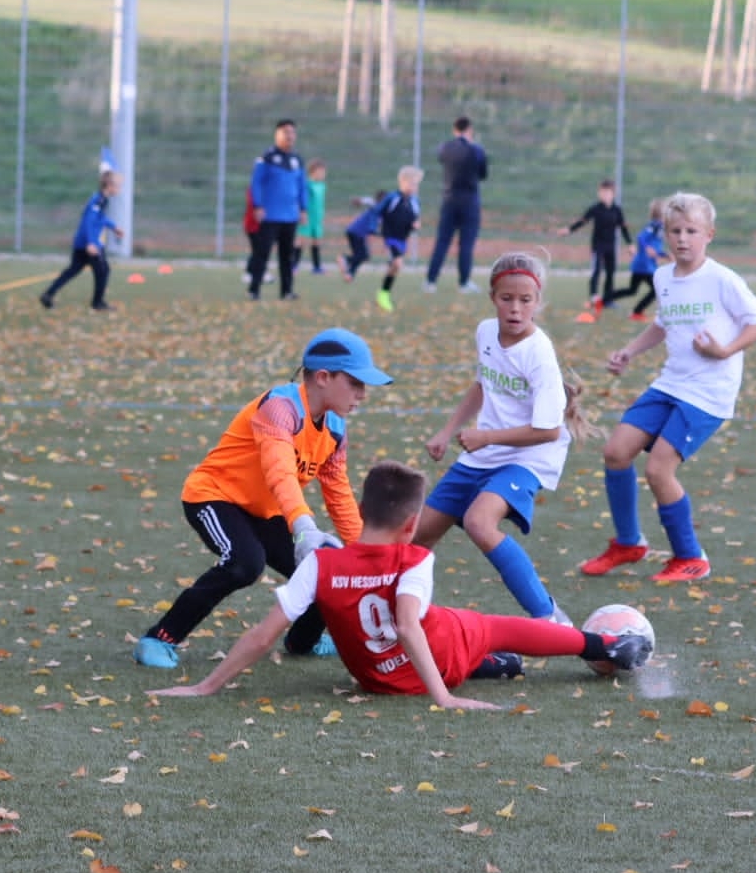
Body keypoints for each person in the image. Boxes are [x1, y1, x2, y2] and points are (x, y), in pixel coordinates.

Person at [147, 461, 652, 710]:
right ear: (412, 525)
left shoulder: (321, 564)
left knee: (461, 636)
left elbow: (263, 635)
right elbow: (408, 626)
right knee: (489, 625)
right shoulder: (415, 557)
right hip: (433, 664)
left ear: (360, 510)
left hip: (376, 679)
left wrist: (205, 686)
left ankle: (492, 666)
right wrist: (443, 698)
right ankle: (604, 645)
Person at [134, 328, 392, 669]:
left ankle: (302, 642)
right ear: (323, 377)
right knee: (244, 563)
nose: (363, 394)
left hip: (268, 510)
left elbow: (339, 495)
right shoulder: (280, 408)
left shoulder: (335, 428)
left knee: (328, 568)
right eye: (356, 383)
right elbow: (280, 473)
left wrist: (365, 554)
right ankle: (160, 638)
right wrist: (303, 527)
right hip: (215, 496)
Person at [579, 192, 756, 585]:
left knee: (658, 469)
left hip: (707, 393)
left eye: (692, 231)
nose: (683, 238)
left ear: (709, 235)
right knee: (616, 452)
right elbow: (663, 324)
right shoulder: (663, 277)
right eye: (675, 231)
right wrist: (629, 352)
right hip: (670, 383)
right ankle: (629, 543)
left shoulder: (722, 279)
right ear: (665, 234)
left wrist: (725, 350)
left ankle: (691, 557)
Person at [415, 251, 598, 624]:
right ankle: (405, 618)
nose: (515, 308)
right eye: (506, 298)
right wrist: (446, 432)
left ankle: (550, 618)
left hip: (529, 457)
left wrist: (486, 437)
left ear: (538, 301)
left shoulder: (538, 353)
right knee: (417, 536)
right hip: (485, 453)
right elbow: (482, 385)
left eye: (525, 300)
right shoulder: (486, 332)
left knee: (480, 522)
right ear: (492, 298)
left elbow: (549, 430)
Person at [39, 167, 122, 311]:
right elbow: (89, 220)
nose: (119, 189)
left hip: (82, 241)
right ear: (109, 186)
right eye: (118, 186)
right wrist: (91, 243)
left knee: (73, 270)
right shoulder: (99, 200)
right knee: (103, 270)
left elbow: (100, 218)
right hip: (89, 243)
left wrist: (113, 227)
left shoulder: (100, 199)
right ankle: (98, 303)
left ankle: (48, 294)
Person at [247, 119, 308, 301]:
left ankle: (286, 291)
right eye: (285, 132)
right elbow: (256, 183)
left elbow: (302, 186)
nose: (289, 136)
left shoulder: (297, 160)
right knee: (262, 253)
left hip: (290, 216)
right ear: (277, 134)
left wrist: (303, 208)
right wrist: (258, 206)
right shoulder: (266, 158)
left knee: (287, 256)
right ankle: (254, 289)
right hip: (270, 215)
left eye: (292, 132)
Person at [427, 116, 488, 293]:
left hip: (449, 200)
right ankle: (464, 282)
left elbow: (441, 159)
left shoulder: (445, 148)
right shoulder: (476, 150)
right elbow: (483, 174)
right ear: (469, 130)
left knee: (442, 241)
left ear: (454, 130)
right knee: (466, 243)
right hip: (470, 202)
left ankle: (430, 281)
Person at [557, 179, 630, 318]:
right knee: (596, 270)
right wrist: (569, 230)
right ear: (599, 193)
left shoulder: (617, 210)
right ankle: (593, 298)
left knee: (610, 273)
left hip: (611, 246)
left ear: (613, 194)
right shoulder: (595, 209)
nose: (604, 195)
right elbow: (582, 221)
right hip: (598, 246)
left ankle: (608, 300)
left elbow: (623, 228)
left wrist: (630, 244)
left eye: (607, 192)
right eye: (602, 192)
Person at [607, 198, 670, 322]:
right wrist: (648, 248)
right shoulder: (655, 225)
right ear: (661, 213)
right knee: (656, 290)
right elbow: (641, 237)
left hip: (643, 265)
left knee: (632, 290)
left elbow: (654, 248)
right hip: (645, 266)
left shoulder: (660, 226)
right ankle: (637, 312)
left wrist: (664, 255)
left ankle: (604, 299)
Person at [371, 166, 422, 312]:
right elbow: (377, 211)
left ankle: (383, 294)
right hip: (390, 236)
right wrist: (374, 227)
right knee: (398, 264)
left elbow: (414, 219)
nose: (414, 187)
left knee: (394, 268)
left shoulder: (415, 201)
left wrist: (415, 225)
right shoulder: (392, 198)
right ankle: (383, 295)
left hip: (402, 239)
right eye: (412, 183)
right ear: (402, 182)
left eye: (416, 184)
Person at [338, 190, 388, 283]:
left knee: (360, 255)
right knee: (363, 255)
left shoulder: (380, 213)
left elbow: (374, 230)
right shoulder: (376, 207)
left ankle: (349, 275)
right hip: (357, 232)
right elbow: (368, 201)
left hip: (355, 232)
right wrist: (359, 201)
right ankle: (345, 259)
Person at [297, 159, 329, 275]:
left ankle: (316, 267)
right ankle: (293, 265)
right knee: (300, 241)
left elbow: (320, 202)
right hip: (307, 217)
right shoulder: (307, 184)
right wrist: (302, 212)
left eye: (324, 172)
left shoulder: (322, 185)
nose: (323, 175)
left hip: (317, 218)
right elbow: (302, 199)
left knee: (317, 241)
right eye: (320, 172)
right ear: (312, 172)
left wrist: (322, 216)